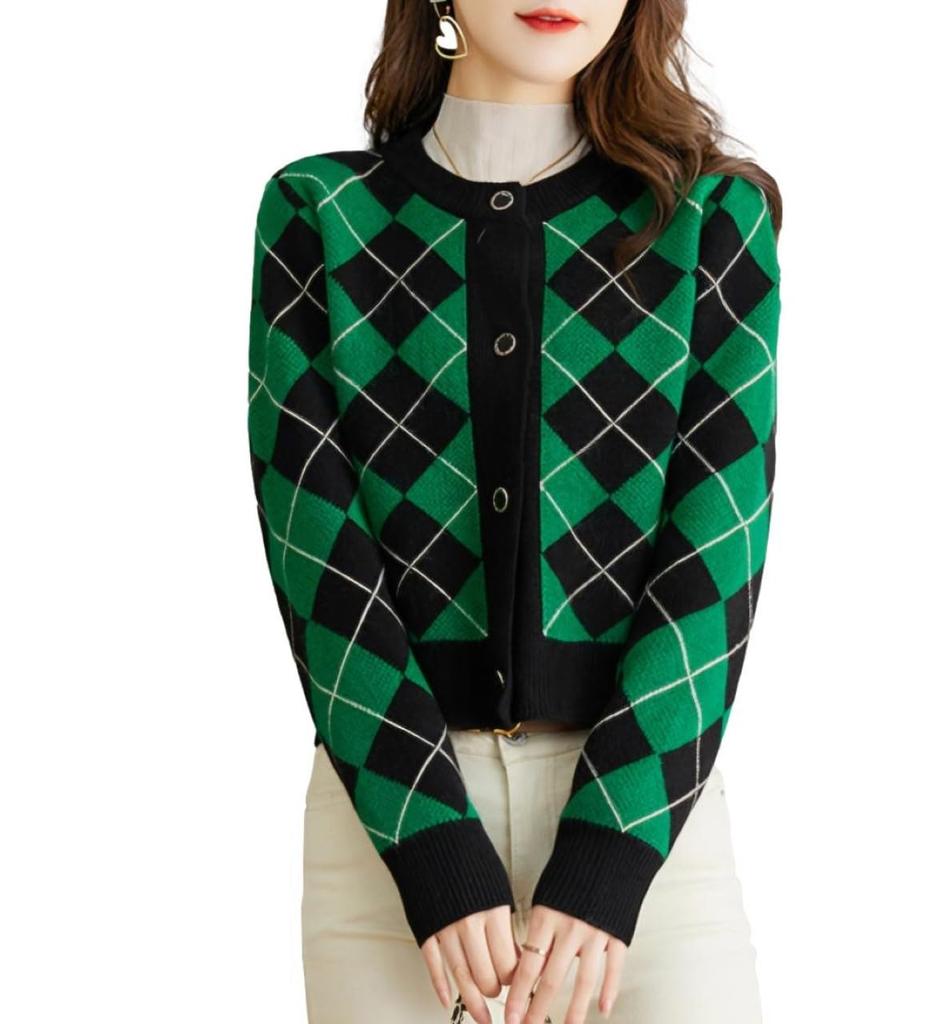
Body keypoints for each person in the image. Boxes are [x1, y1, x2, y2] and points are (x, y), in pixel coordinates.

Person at [246, 2, 783, 1021]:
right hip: (389, 837)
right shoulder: (319, 214)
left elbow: (717, 553)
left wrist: (608, 855)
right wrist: (430, 845)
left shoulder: (710, 221)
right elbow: (316, 552)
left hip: (651, 843)